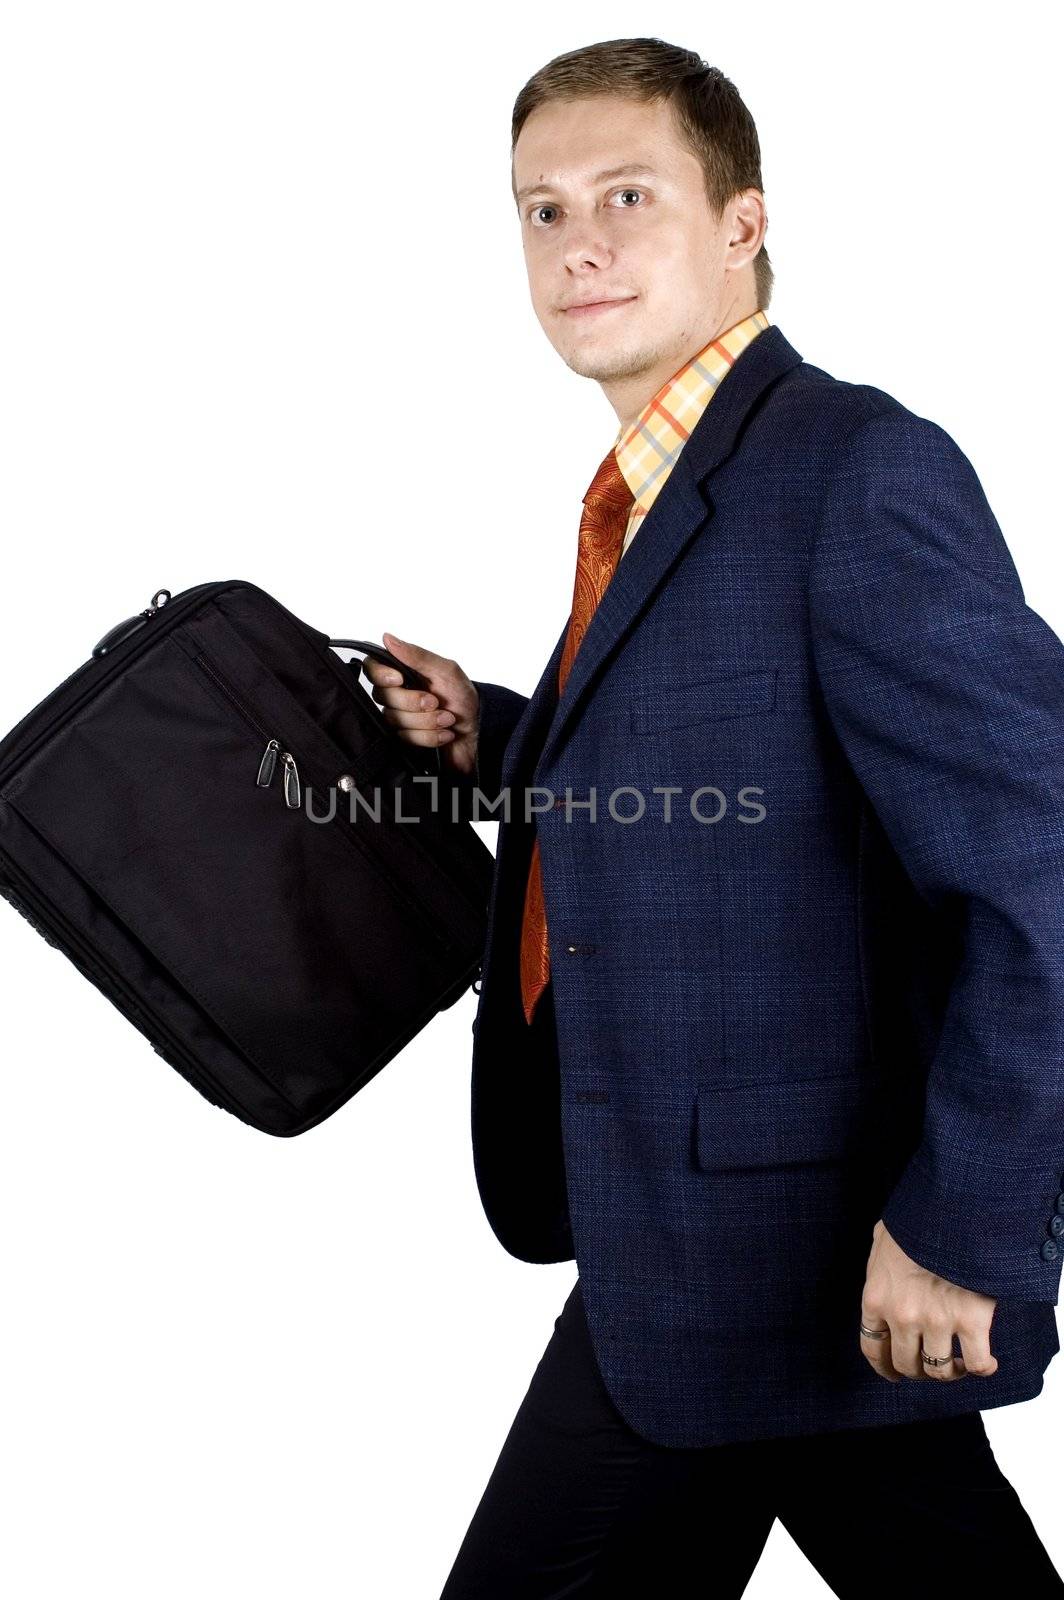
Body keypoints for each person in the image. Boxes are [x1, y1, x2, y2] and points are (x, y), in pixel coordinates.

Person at [362, 36, 1064, 1598]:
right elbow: (744, 781)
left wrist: (966, 1226)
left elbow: (1045, 864)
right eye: (541, 212)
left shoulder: (856, 472)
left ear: (744, 222)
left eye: (627, 194)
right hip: (703, 1253)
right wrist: (500, 738)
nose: (579, 244)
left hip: (814, 1250)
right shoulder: (656, 486)